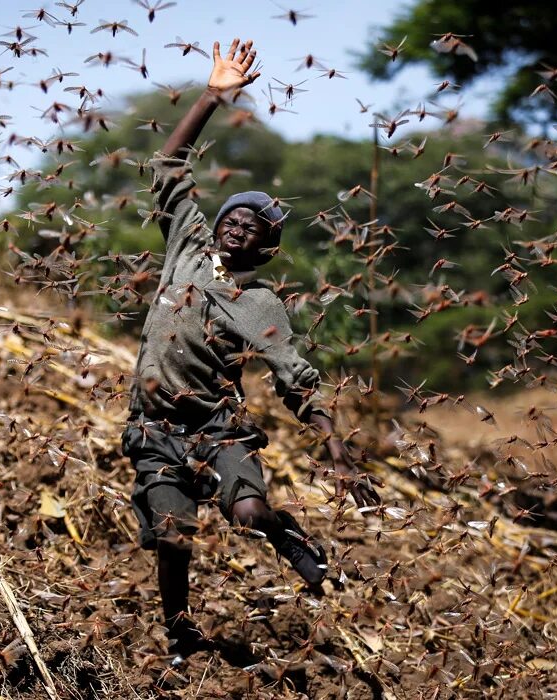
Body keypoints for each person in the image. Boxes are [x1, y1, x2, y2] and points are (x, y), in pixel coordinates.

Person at [120, 38, 380, 665]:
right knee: (175, 534)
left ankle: (283, 535)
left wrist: (336, 449)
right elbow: (168, 164)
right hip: (155, 425)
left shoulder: (262, 304)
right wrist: (213, 95)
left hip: (217, 424)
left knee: (249, 509)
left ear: (264, 248)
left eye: (253, 227)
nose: (237, 225)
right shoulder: (185, 246)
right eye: (233, 217)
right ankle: (181, 630)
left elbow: (298, 379)